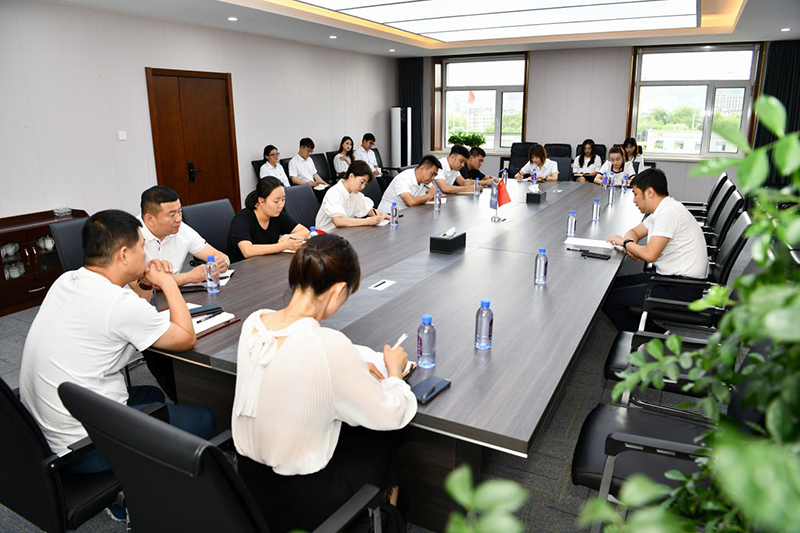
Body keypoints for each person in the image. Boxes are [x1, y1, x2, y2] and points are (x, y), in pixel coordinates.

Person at [232, 233, 417, 533]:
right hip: (305, 498)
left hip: (251, 483)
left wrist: (349, 369)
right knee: (385, 442)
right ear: (339, 289)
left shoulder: (254, 323)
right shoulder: (328, 344)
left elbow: (288, 368)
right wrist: (395, 374)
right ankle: (386, 521)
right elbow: (392, 414)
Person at [19, 210, 215, 478]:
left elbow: (136, 314)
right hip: (85, 448)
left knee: (152, 396)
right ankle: (149, 487)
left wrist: (144, 281)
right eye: (141, 247)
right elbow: (185, 337)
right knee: (204, 417)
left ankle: (141, 469)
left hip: (46, 434)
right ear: (124, 254)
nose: (146, 255)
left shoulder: (67, 280)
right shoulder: (116, 303)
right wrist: (167, 283)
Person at [603, 169, 709, 332]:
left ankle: (657, 337)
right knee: (608, 287)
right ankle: (648, 330)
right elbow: (634, 232)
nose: (634, 200)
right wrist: (630, 245)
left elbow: (650, 255)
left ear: (650, 192)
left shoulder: (668, 213)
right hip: (668, 277)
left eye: (636, 194)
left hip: (681, 287)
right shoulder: (663, 209)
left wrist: (626, 243)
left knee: (610, 300)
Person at [136, 186, 229, 288]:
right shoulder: (131, 235)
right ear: (150, 219)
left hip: (177, 291)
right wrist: (189, 277)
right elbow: (143, 285)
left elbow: (218, 255)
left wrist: (222, 263)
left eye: (179, 211)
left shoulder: (181, 228)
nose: (179, 219)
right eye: (172, 215)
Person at [227, 177, 309, 262]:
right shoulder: (242, 219)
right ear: (261, 201)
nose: (281, 205)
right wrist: (285, 245)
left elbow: (305, 231)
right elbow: (248, 251)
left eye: (283, 199)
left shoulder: (277, 214)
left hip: (267, 262)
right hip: (243, 266)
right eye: (276, 201)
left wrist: (289, 237)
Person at [315, 160, 389, 232]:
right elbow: (339, 221)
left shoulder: (354, 193)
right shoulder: (334, 193)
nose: (363, 187)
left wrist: (383, 215)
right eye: (362, 182)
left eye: (365, 184)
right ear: (351, 176)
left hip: (344, 232)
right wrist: (368, 221)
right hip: (326, 234)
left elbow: (369, 210)